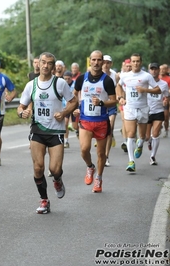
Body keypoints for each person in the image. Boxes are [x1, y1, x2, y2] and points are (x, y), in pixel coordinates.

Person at [17, 52, 78, 214]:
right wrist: (21, 113)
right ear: (38, 64)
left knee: (54, 169)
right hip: (37, 130)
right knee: (38, 168)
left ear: (53, 66)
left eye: (49, 63)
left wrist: (64, 113)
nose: (45, 65)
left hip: (56, 131)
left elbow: (73, 102)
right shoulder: (31, 85)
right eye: (43, 62)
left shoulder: (60, 84)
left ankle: (57, 180)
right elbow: (21, 106)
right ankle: (44, 199)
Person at [73, 50, 117, 193]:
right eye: (94, 60)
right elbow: (74, 94)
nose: (96, 62)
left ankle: (98, 177)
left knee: (101, 153)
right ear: (90, 61)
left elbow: (113, 100)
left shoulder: (107, 80)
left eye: (99, 60)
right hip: (85, 119)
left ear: (103, 62)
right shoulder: (81, 79)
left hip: (102, 121)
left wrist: (102, 103)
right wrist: (76, 107)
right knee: (84, 150)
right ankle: (90, 166)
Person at [116, 53, 161, 172]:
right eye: (133, 61)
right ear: (130, 63)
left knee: (143, 136)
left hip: (143, 108)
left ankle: (140, 145)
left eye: (137, 61)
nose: (135, 63)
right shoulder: (125, 76)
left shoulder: (146, 76)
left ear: (141, 62)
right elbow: (118, 86)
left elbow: (158, 89)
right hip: (129, 108)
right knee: (130, 134)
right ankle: (131, 162)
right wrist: (120, 97)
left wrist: (145, 90)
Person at [145, 63, 170, 165]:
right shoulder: (145, 83)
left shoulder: (163, 84)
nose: (154, 71)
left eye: (156, 69)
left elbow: (167, 95)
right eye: (152, 69)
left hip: (158, 111)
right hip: (147, 111)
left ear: (158, 71)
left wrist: (165, 101)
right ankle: (149, 140)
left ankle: (152, 156)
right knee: (146, 137)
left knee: (155, 134)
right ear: (149, 71)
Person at [102, 55, 119, 166]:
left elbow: (118, 89)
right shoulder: (97, 74)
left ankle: (106, 156)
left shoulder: (115, 76)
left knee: (110, 128)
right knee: (102, 131)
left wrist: (120, 98)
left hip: (111, 105)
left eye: (108, 62)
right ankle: (101, 153)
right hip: (100, 105)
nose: (106, 64)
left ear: (111, 64)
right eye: (104, 62)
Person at [119, 58, 132, 152]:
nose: (128, 68)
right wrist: (120, 97)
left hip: (135, 103)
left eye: (130, 66)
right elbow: (118, 87)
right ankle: (125, 141)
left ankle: (131, 137)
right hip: (124, 102)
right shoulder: (121, 76)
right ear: (124, 66)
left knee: (133, 124)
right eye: (127, 66)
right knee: (124, 121)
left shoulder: (139, 75)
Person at [62, 71, 77, 148]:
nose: (67, 80)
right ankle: (66, 141)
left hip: (74, 106)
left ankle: (77, 131)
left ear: (71, 78)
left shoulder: (75, 84)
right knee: (65, 123)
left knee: (74, 126)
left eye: (68, 78)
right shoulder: (61, 85)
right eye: (65, 79)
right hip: (65, 106)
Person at [159, 64, 170, 137]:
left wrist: (167, 95)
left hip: (165, 99)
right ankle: (158, 127)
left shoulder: (169, 79)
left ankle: (166, 129)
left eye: (164, 69)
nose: (162, 70)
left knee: (166, 116)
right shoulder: (156, 78)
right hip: (157, 100)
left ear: (167, 70)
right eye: (161, 69)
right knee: (158, 115)